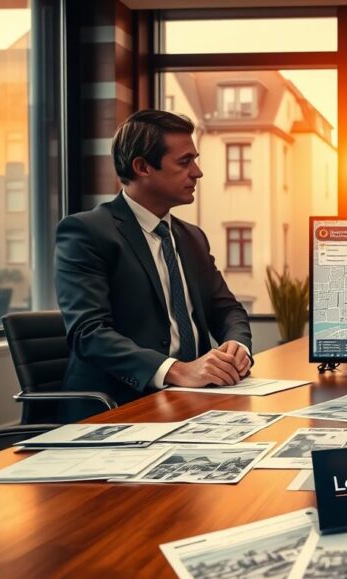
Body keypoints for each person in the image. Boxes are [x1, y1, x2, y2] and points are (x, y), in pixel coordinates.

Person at [55, 110, 252, 412]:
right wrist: (176, 370)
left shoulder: (192, 238)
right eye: (185, 162)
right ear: (142, 166)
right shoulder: (86, 232)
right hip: (118, 406)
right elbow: (89, 333)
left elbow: (227, 309)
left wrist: (237, 346)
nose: (197, 172)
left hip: (194, 401)